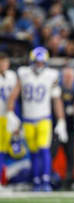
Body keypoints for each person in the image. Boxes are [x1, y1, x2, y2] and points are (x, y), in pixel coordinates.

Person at [6, 47, 68, 191]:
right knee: (33, 151)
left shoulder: (51, 75)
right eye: (37, 62)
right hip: (28, 119)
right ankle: (36, 180)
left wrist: (61, 119)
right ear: (32, 61)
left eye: (42, 62)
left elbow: (56, 99)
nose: (39, 65)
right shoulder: (24, 74)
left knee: (43, 149)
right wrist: (10, 112)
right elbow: (14, 93)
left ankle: (45, 180)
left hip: (43, 118)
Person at [0, 52, 17, 190]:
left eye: (5, 62)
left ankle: (1, 180)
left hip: (7, 117)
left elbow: (14, 97)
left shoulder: (12, 76)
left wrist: (14, 115)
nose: (3, 65)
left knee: (3, 150)